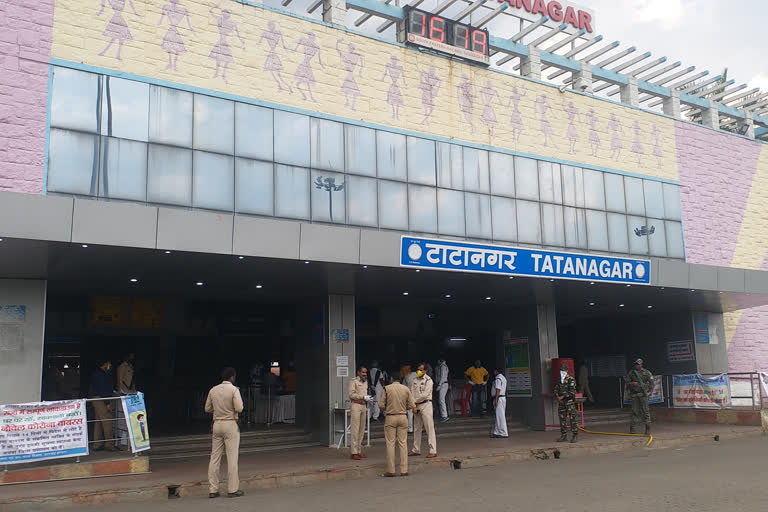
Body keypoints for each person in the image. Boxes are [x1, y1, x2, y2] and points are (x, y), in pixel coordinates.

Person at [205, 367, 245, 498]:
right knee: (232, 458)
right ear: (232, 377)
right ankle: (232, 489)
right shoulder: (234, 390)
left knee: (214, 457)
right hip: (230, 424)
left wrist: (218, 410)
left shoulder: (213, 390)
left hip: (217, 424)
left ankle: (213, 489)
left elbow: (207, 408)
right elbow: (239, 408)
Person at [378, 371, 416, 477]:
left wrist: (388, 407)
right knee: (403, 443)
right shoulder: (406, 389)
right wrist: (404, 407)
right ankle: (404, 470)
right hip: (403, 417)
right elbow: (412, 404)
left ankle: (391, 470)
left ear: (391, 379)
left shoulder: (387, 388)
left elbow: (380, 405)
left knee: (390, 444)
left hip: (390, 417)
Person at [409, 363, 437, 458]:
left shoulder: (429, 380)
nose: (419, 371)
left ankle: (433, 450)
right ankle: (416, 449)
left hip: (426, 404)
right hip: (417, 406)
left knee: (429, 428)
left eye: (421, 369)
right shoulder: (415, 380)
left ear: (425, 371)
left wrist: (414, 401)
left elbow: (425, 395)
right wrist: (413, 405)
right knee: (417, 428)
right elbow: (411, 392)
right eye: (418, 369)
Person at [89, 358, 117, 451]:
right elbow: (103, 390)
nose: (110, 366)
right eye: (109, 363)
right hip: (101, 399)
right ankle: (109, 444)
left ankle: (97, 444)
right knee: (107, 421)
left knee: (98, 422)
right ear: (105, 364)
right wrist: (108, 403)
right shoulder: (101, 375)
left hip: (96, 399)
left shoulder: (97, 373)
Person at [348, 365, 370, 460]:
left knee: (361, 429)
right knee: (355, 429)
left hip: (363, 405)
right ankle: (354, 452)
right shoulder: (354, 381)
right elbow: (351, 394)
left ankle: (359, 451)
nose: (364, 374)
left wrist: (367, 399)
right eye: (363, 372)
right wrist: (362, 397)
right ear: (358, 372)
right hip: (356, 405)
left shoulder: (366, 382)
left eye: (365, 372)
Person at [626, 358, 653, 434]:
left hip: (643, 395)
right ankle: (632, 429)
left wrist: (650, 392)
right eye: (636, 364)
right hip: (635, 395)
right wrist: (632, 383)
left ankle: (647, 430)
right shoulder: (632, 373)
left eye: (639, 364)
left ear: (641, 364)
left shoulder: (646, 372)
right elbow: (627, 382)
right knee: (634, 412)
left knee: (646, 412)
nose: (637, 365)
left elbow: (651, 383)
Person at [554, 363, 578, 443]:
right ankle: (563, 436)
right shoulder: (559, 380)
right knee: (562, 419)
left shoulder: (571, 379)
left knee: (572, 419)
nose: (562, 372)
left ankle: (574, 436)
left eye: (564, 370)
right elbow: (556, 389)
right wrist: (558, 397)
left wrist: (563, 397)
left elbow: (572, 392)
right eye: (561, 370)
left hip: (569, 402)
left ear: (567, 371)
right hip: (561, 403)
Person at [491, 368, 508, 438]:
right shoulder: (503, 378)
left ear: (497, 371)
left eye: (495, 371)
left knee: (500, 416)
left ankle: (503, 432)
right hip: (502, 398)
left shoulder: (498, 378)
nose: (494, 372)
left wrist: (496, 400)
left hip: (499, 398)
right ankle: (497, 432)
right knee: (499, 415)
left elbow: (498, 390)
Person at [403, 365, 418, 432]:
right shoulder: (419, 375)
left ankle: (410, 428)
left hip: (410, 395)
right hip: (418, 396)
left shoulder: (406, 376)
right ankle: (420, 427)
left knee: (410, 412)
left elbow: (403, 387)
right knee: (419, 412)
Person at [435, 358, 450, 423]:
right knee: (441, 400)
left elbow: (443, 376)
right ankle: (443, 415)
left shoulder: (443, 366)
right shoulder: (441, 366)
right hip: (442, 384)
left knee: (441, 400)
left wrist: (439, 385)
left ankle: (445, 416)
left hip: (443, 384)